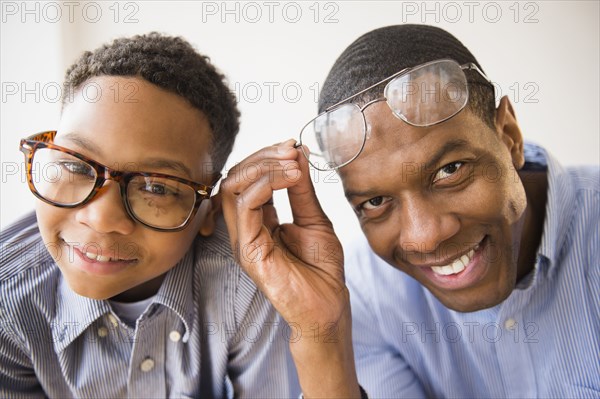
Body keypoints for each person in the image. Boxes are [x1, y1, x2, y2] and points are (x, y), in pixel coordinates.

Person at [221, 24, 599, 397]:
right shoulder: (364, 297)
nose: (425, 236)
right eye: (375, 202)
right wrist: (322, 337)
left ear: (509, 136)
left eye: (449, 171)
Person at [0, 33, 300, 398]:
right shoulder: (9, 297)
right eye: (76, 166)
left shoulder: (244, 284)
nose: (101, 218)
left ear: (209, 209)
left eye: (157, 188)